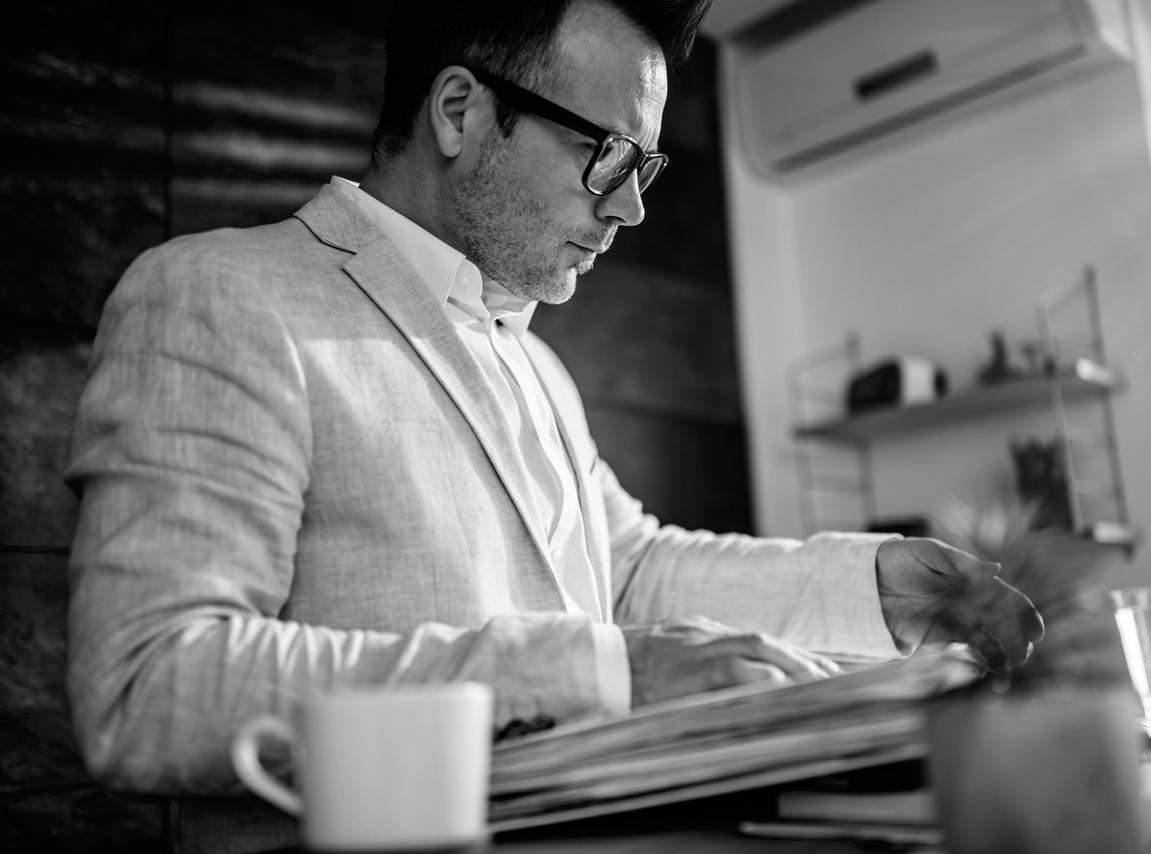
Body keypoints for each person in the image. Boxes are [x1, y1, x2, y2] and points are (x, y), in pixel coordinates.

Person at [64, 0, 1043, 849]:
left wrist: (869, 588)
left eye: (646, 164)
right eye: (606, 153)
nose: (630, 209)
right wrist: (601, 669)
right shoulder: (216, 295)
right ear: (459, 111)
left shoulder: (534, 361)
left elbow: (623, 573)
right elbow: (150, 685)